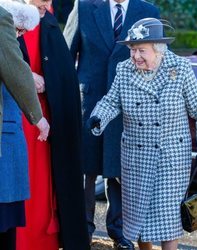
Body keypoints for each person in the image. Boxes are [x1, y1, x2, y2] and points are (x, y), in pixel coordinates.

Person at [86, 18, 197, 250]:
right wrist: (99, 117)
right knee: (139, 219)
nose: (135, 56)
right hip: (136, 157)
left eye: (141, 50)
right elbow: (111, 102)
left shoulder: (181, 68)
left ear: (158, 49)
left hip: (172, 157)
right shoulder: (124, 69)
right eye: (132, 50)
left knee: (169, 218)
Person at [63, 1, 160, 248]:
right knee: (86, 171)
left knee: (122, 171)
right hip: (90, 104)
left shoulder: (149, 12)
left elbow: (157, 62)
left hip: (130, 106)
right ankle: (80, 231)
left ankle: (121, 233)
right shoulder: (84, 7)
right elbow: (65, 57)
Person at [15, 0, 90, 250]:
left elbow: (62, 70)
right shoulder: (9, 15)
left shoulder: (48, 20)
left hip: (45, 115)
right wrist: (27, 76)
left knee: (44, 181)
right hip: (18, 114)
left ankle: (41, 240)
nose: (46, 4)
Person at [0, 2, 48, 250]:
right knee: (5, 219)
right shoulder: (1, 19)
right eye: (18, 31)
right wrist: (38, 117)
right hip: (4, 139)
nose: (18, 37)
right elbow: (15, 71)